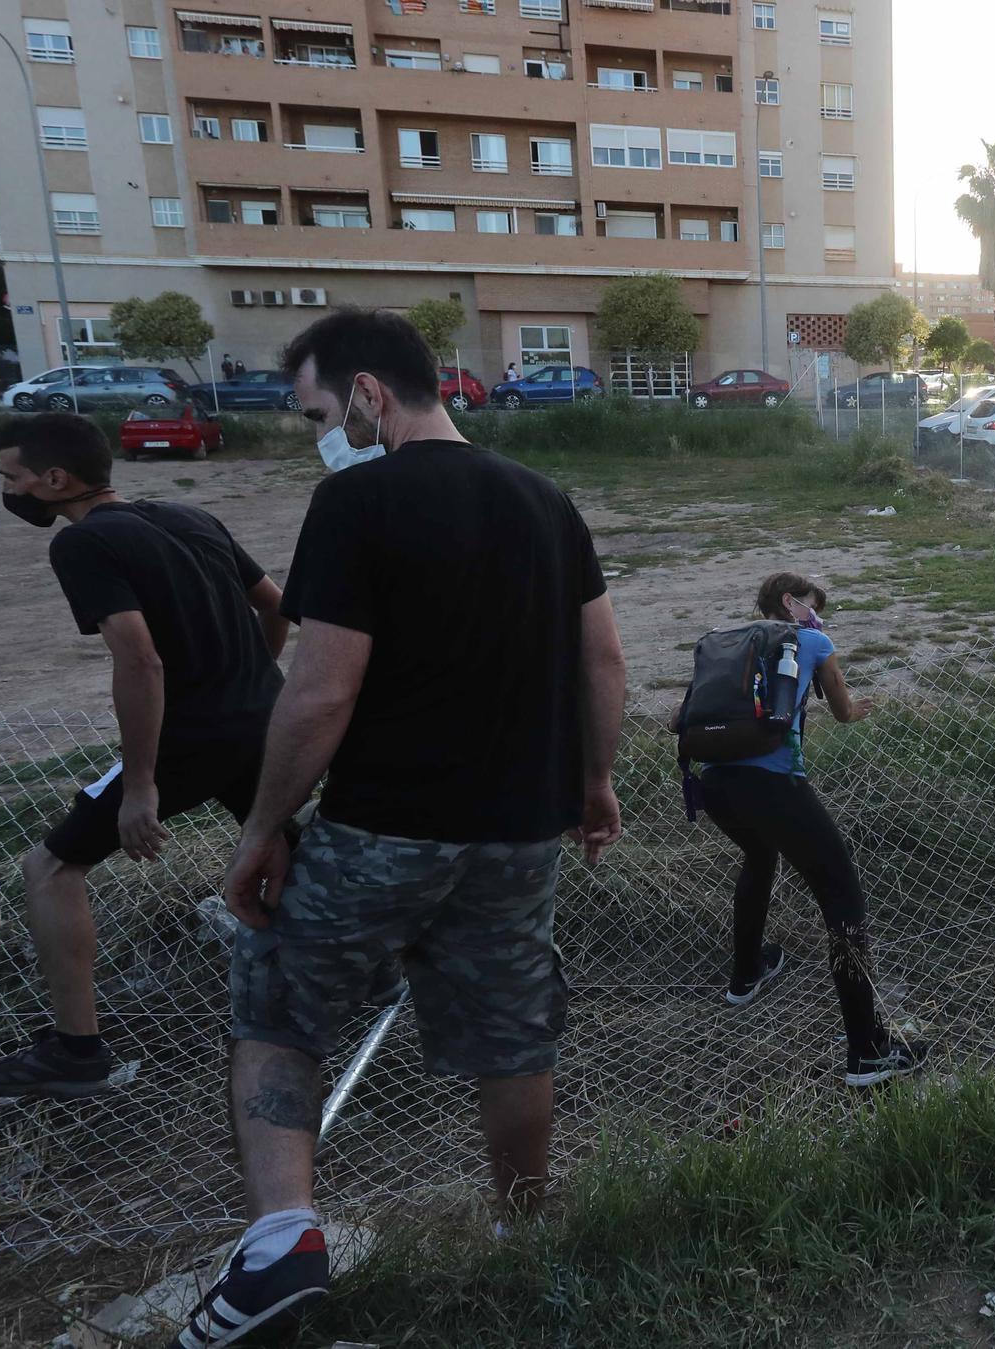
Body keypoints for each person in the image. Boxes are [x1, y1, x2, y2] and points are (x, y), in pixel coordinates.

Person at [174, 309, 626, 1348]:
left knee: (277, 1005)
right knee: (511, 1034)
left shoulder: (356, 499)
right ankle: (525, 1231)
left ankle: (285, 1239)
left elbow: (321, 689)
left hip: (383, 828)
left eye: (322, 411)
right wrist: (594, 782)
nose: (322, 433)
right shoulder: (544, 501)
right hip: (520, 834)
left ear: (372, 393)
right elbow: (601, 660)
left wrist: (260, 829)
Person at [0, 414, 287, 1099]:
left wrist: (140, 787)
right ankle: (377, 976)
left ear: (54, 480)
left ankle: (77, 1051)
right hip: (265, 719)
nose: (6, 487)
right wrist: (250, 679)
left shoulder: (86, 544)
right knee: (288, 854)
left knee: (50, 867)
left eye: (11, 475)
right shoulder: (189, 515)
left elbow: (140, 659)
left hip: (192, 737)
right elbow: (278, 605)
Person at [693, 574, 928, 1088]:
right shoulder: (812, 639)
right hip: (773, 785)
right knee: (842, 897)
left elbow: (680, 715)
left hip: (715, 783)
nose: (819, 618)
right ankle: (868, 1053)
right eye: (814, 607)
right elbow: (842, 711)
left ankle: (747, 974)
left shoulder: (728, 640)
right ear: (790, 602)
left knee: (760, 857)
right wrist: (853, 708)